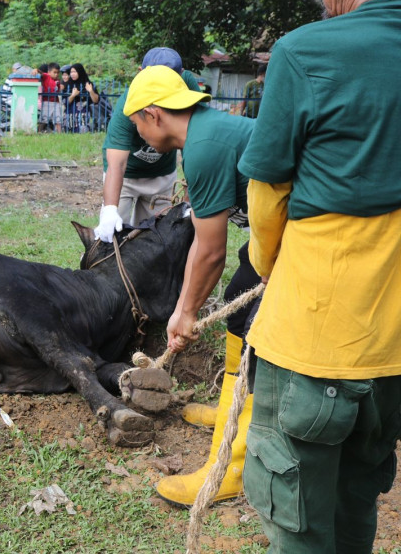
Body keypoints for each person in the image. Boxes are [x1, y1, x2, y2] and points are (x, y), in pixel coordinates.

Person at [236, 0, 401, 551]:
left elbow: (267, 196)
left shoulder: (307, 52)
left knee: (299, 527)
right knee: (357, 507)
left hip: (314, 343)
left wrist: (268, 267)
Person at [122, 64, 260, 507]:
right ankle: (231, 412)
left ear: (154, 114)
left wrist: (184, 312)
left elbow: (209, 251)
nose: (139, 134)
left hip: (310, 236)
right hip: (278, 235)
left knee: (258, 328)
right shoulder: (207, 131)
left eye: (137, 123)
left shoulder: (203, 146)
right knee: (240, 311)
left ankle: (232, 467)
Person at [95, 47, 203, 243]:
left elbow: (196, 142)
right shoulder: (127, 104)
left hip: (160, 175)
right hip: (125, 177)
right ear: (140, 73)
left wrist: (188, 199)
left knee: (154, 239)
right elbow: (116, 164)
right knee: (111, 238)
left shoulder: (188, 88)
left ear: (181, 75)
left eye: (168, 79)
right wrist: (110, 210)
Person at [65, 63, 100, 132]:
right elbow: (65, 102)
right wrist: (73, 95)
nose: (72, 74)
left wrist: (91, 91)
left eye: (74, 72)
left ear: (80, 72)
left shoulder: (88, 84)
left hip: (83, 114)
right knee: (70, 134)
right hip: (70, 114)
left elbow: (96, 101)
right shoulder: (68, 84)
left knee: (83, 132)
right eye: (71, 72)